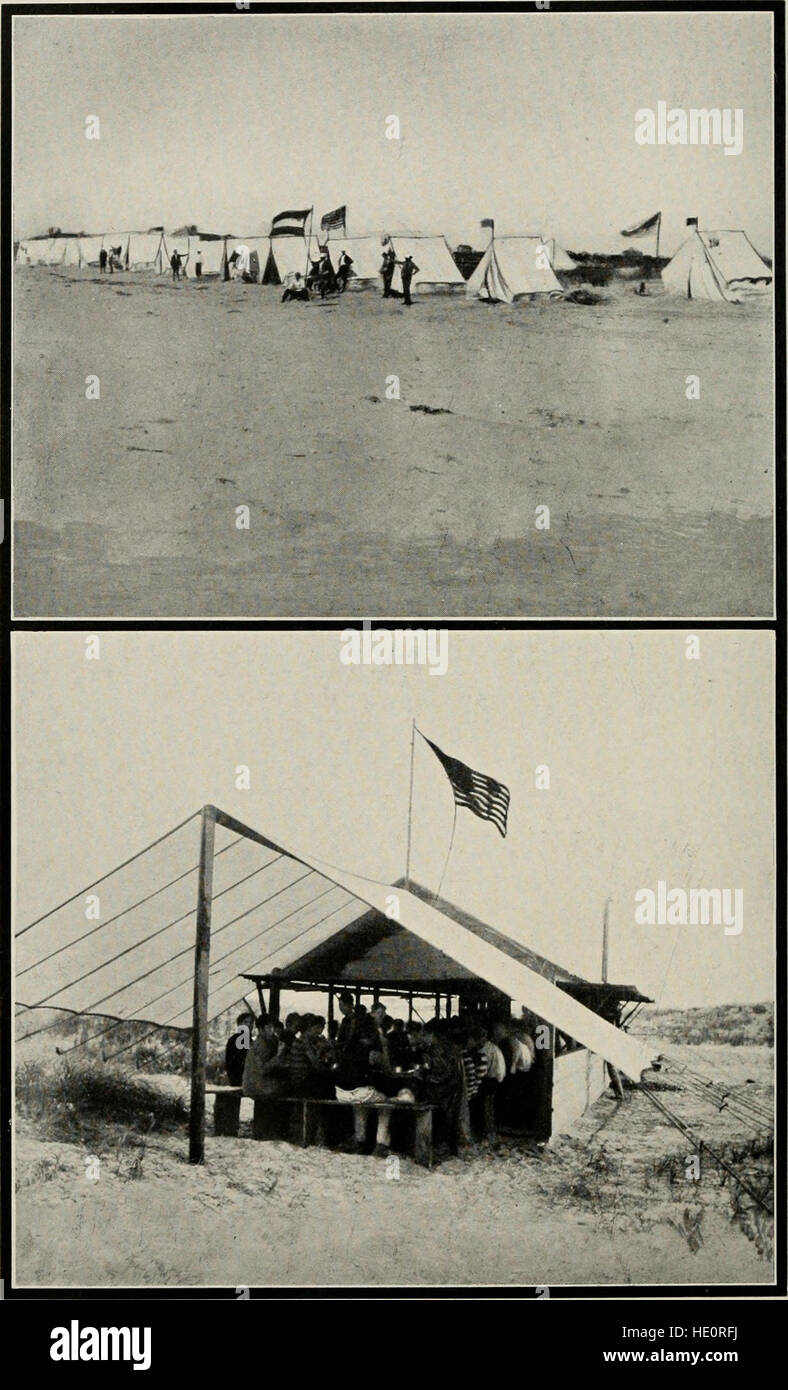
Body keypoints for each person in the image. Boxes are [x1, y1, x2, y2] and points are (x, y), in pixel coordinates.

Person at [334, 1011, 391, 1155]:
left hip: (341, 1092)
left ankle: (359, 1140)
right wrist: (384, 1047)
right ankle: (381, 1143)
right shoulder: (371, 1048)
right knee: (386, 1104)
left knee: (360, 1106)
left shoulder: (349, 1044)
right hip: (359, 1091)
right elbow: (385, 1067)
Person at [225, 1011, 256, 1086]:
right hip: (239, 1077)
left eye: (251, 1022)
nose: (249, 1025)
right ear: (239, 1025)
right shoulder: (237, 1039)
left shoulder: (249, 1039)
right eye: (245, 1022)